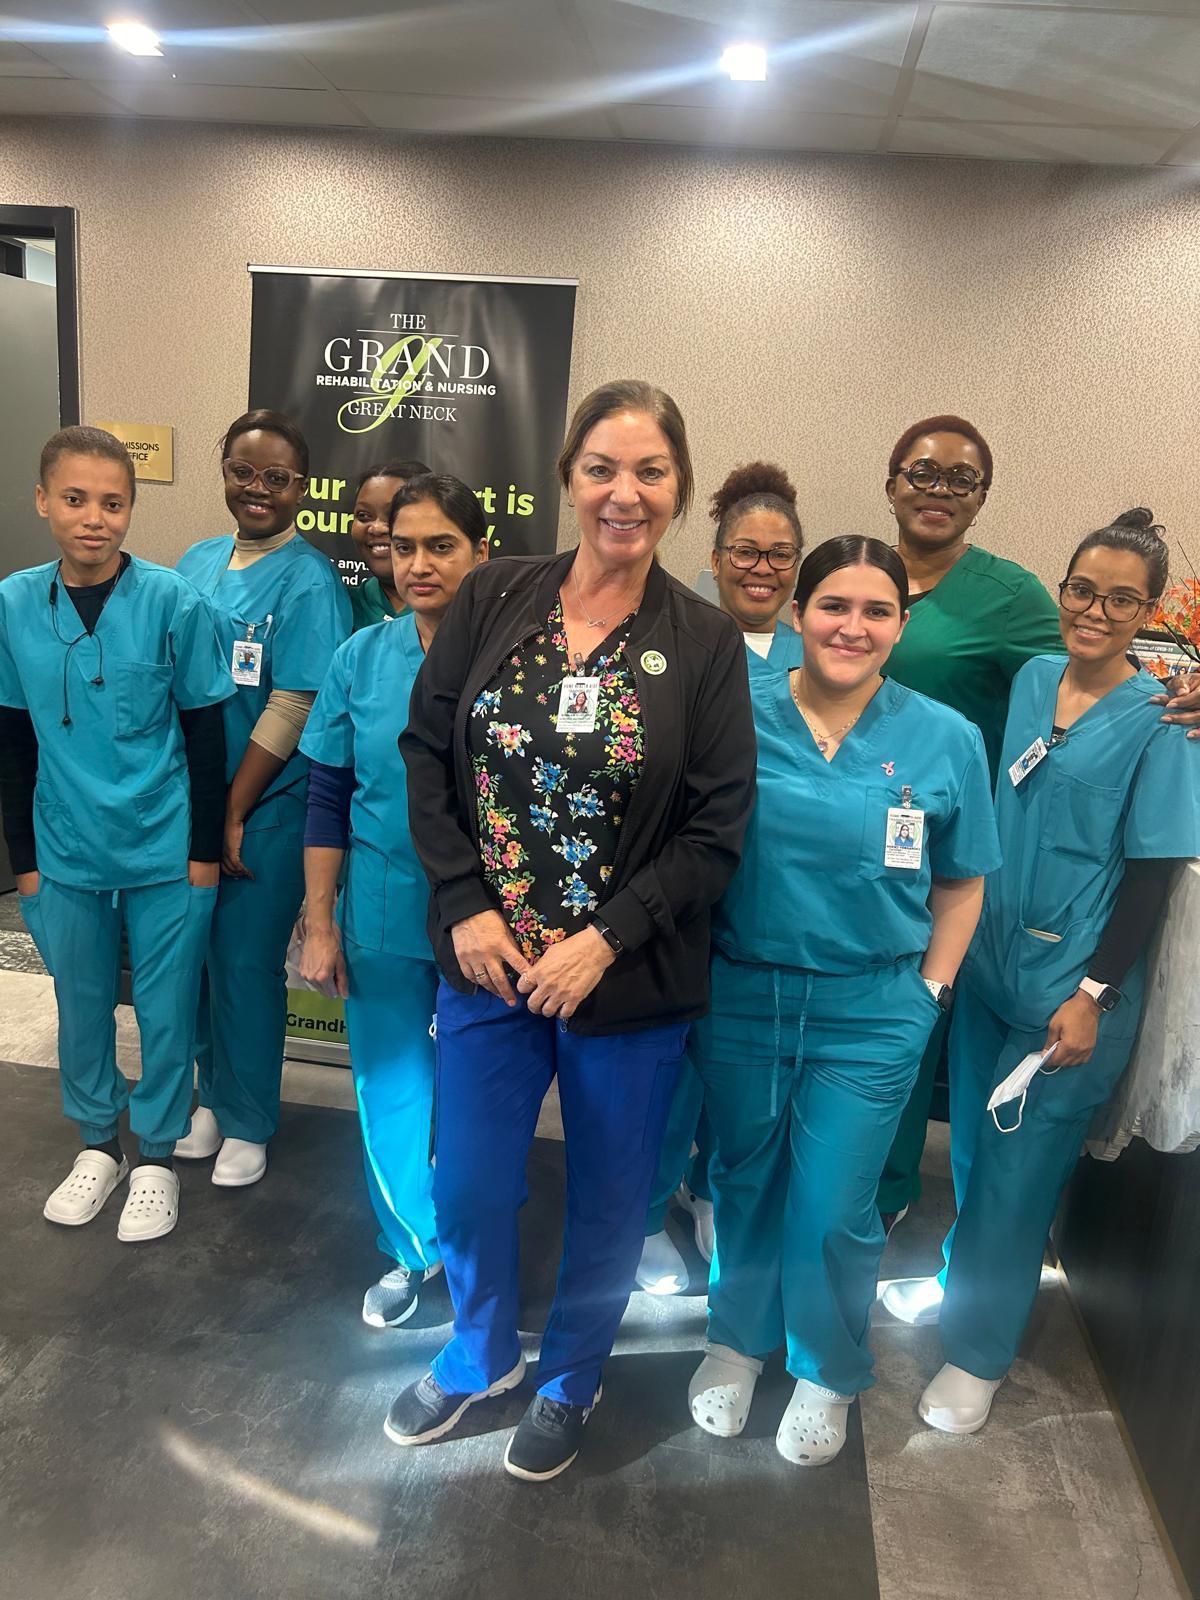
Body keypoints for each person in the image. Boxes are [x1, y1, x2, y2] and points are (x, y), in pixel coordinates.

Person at [387, 379, 756, 1481]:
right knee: (470, 1180)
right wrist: (462, 902)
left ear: (678, 489)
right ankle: (478, 1350)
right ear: (567, 478)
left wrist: (606, 936)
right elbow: (425, 751)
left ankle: (570, 1375)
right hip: (489, 962)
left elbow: (717, 826)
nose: (623, 492)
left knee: (608, 1194)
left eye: (649, 471)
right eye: (602, 467)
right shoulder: (497, 593)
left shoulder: (703, 642)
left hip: (625, 975)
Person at [882, 510, 1200, 1433]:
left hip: (1072, 995)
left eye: (1122, 599)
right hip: (989, 968)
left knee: (1022, 1178)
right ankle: (962, 1286)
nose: (1095, 611)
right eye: (1082, 589)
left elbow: (1148, 878)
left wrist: (1094, 995)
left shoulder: (1162, 722)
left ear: (1149, 611)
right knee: (976, 1154)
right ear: (1059, 588)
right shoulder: (1029, 679)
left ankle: (979, 1355)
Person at [688, 536, 1000, 1467]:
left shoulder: (945, 738)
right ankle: (736, 1341)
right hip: (742, 989)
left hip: (874, 1010)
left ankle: (825, 1366)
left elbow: (963, 883)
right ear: (796, 612)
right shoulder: (732, 717)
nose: (851, 627)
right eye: (833, 605)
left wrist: (930, 994)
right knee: (742, 1180)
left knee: (834, 1203)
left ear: (901, 625)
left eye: (875, 610)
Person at [0, 427, 230, 1241]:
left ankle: (159, 1155)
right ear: (43, 502)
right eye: (75, 499)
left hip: (165, 847)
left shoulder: (174, 602)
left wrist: (204, 857)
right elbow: (13, 740)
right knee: (82, 1002)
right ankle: (99, 1144)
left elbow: (207, 737)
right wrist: (23, 864)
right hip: (63, 850)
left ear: (131, 508)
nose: (94, 518)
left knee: (167, 1009)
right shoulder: (13, 604)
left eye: (113, 502)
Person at [298, 473, 487, 1328]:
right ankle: (411, 1249)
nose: (419, 563)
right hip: (380, 911)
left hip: (490, 924)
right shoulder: (360, 659)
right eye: (404, 546)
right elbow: (328, 798)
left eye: (441, 545)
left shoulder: (519, 658)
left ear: (480, 553)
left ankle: (477, 1244)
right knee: (393, 1086)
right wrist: (321, 921)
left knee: (480, 1092)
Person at [637, 460, 804, 1294]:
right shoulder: (679, 635)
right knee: (665, 1077)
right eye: (745, 550)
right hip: (676, 897)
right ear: (717, 552)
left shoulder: (825, 653)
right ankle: (640, 1219)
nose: (761, 568)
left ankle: (709, 1197)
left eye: (779, 554)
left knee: (734, 1081)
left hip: (769, 902)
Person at [174, 410, 351, 1186]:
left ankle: (249, 1119)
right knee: (200, 962)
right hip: (194, 797)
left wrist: (234, 808)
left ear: (300, 489)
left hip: (266, 807)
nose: (257, 488)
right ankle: (212, 1095)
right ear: (225, 472)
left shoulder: (310, 582)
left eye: (276, 477)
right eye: (244, 470)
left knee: (245, 962)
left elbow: (294, 705)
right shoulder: (197, 560)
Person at [346, 458, 432, 630]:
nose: (376, 528)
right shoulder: (342, 606)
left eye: (392, 515)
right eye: (363, 516)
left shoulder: (456, 610)